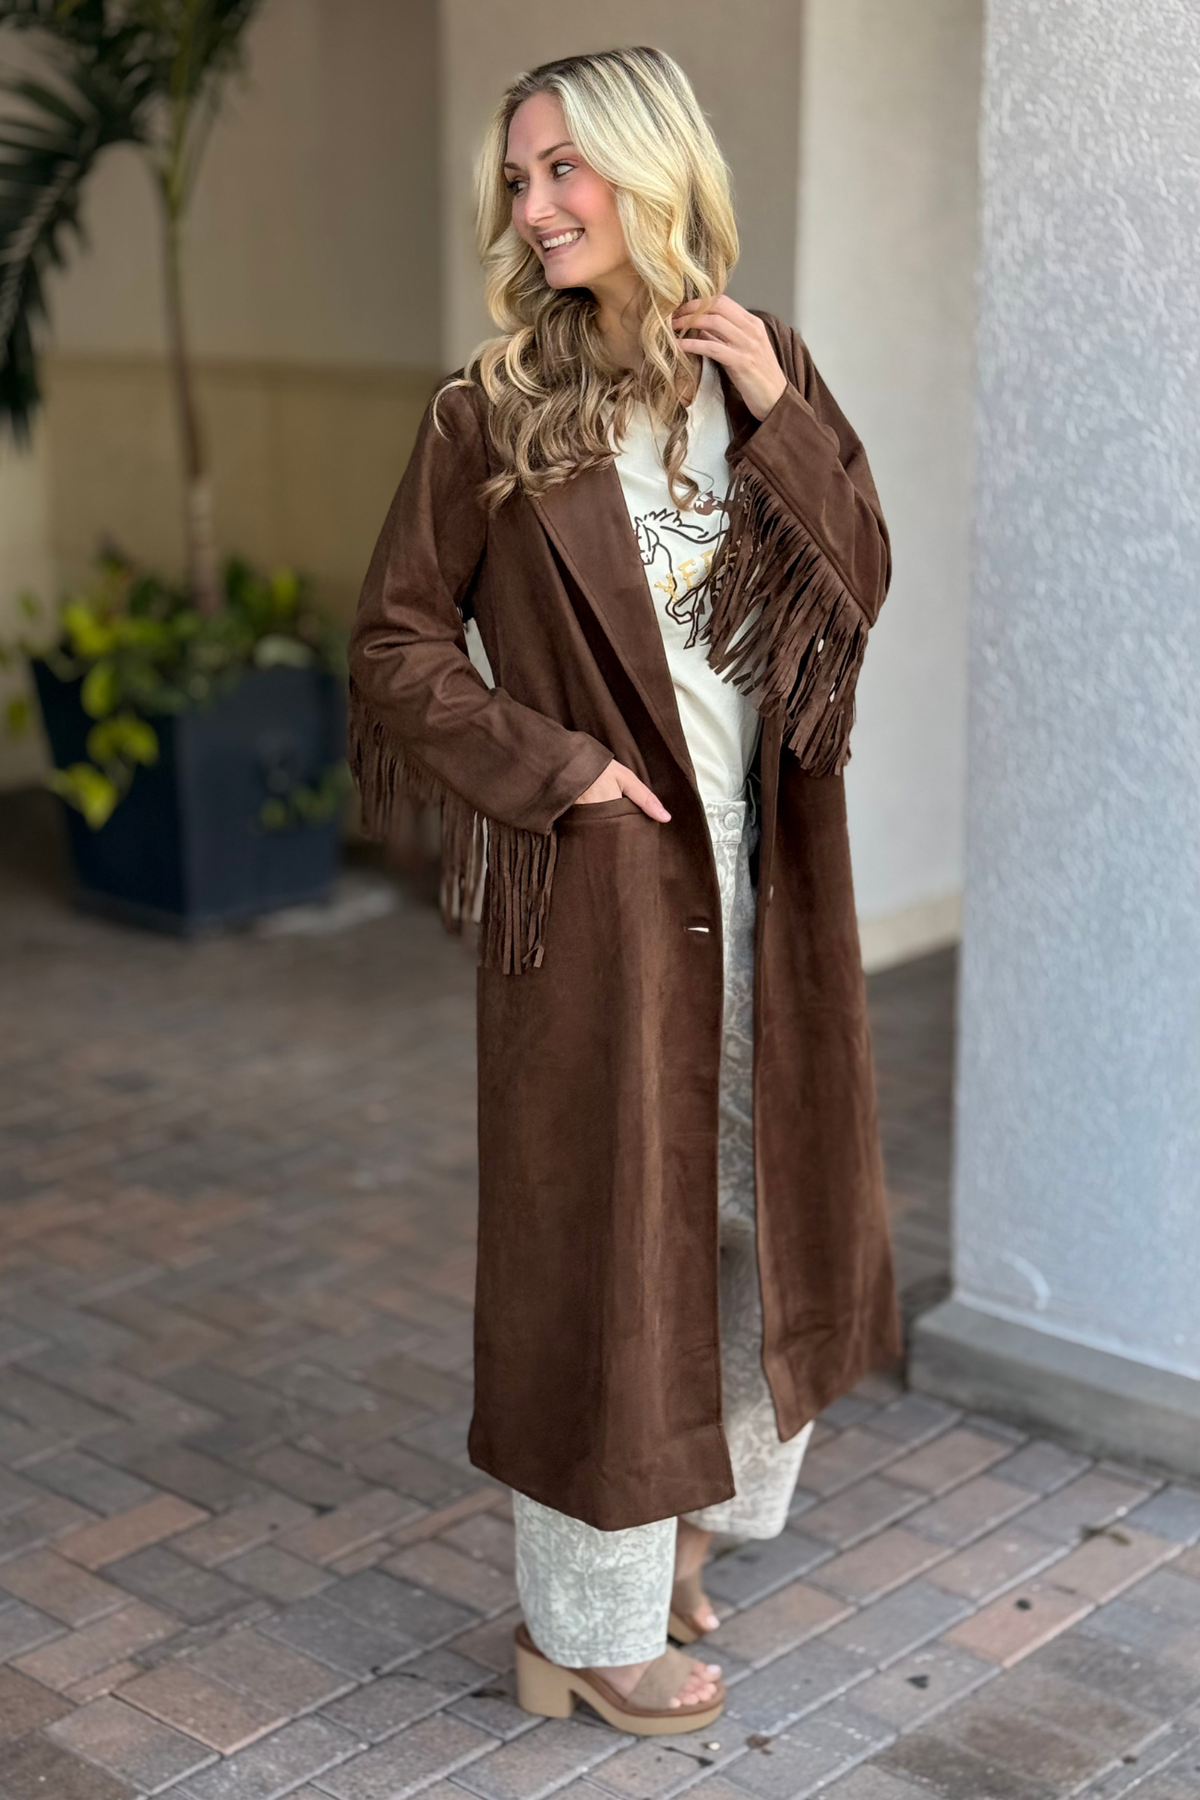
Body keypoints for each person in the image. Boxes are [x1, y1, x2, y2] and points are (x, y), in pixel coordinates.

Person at [347, 45, 901, 1737]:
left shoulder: (761, 366)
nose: (535, 205)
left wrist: (784, 420)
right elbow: (394, 644)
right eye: (520, 178)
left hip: (771, 879)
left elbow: (857, 588)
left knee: (758, 1213)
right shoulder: (487, 407)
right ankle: (581, 1631)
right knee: (602, 1250)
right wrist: (557, 769)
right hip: (602, 892)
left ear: (654, 168)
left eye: (564, 168)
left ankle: (681, 1532)